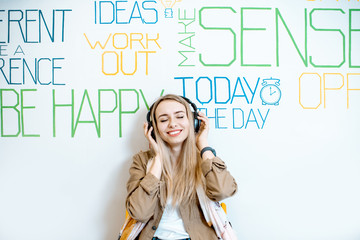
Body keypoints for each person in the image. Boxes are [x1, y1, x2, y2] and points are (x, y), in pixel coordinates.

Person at [125, 94, 237, 240]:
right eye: (164, 120)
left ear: (193, 122)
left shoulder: (204, 159)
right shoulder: (142, 161)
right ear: (154, 128)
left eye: (180, 116)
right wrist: (158, 159)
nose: (172, 124)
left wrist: (203, 144)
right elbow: (139, 212)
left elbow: (223, 191)